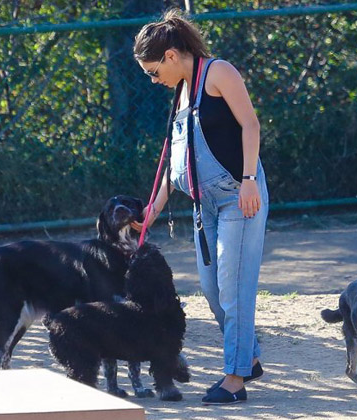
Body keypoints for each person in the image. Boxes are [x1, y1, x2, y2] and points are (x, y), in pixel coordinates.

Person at [130, 9, 269, 405]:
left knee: (233, 288)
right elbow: (178, 160)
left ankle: (235, 379)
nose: (154, 80)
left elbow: (251, 125)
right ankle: (248, 356)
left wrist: (249, 179)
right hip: (202, 205)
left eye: (154, 71)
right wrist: (153, 209)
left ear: (171, 56)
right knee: (212, 288)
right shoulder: (182, 91)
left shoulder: (219, 72)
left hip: (238, 197)